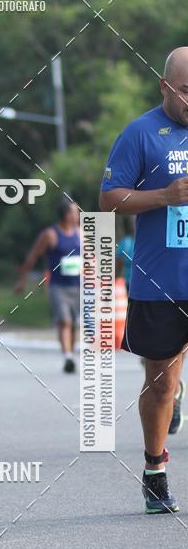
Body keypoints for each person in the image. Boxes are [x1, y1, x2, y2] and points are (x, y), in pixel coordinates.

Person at [99, 46, 188, 514]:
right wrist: (164, 196)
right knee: (160, 383)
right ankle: (155, 470)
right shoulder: (140, 133)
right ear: (166, 86)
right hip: (161, 284)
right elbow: (109, 197)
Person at [14, 199, 81, 373]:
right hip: (57, 287)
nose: (78, 215)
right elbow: (33, 256)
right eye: (75, 212)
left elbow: (90, 259)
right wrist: (22, 280)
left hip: (78, 286)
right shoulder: (50, 235)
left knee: (74, 323)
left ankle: (71, 355)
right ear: (67, 215)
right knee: (64, 321)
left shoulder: (81, 234)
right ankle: (67, 356)